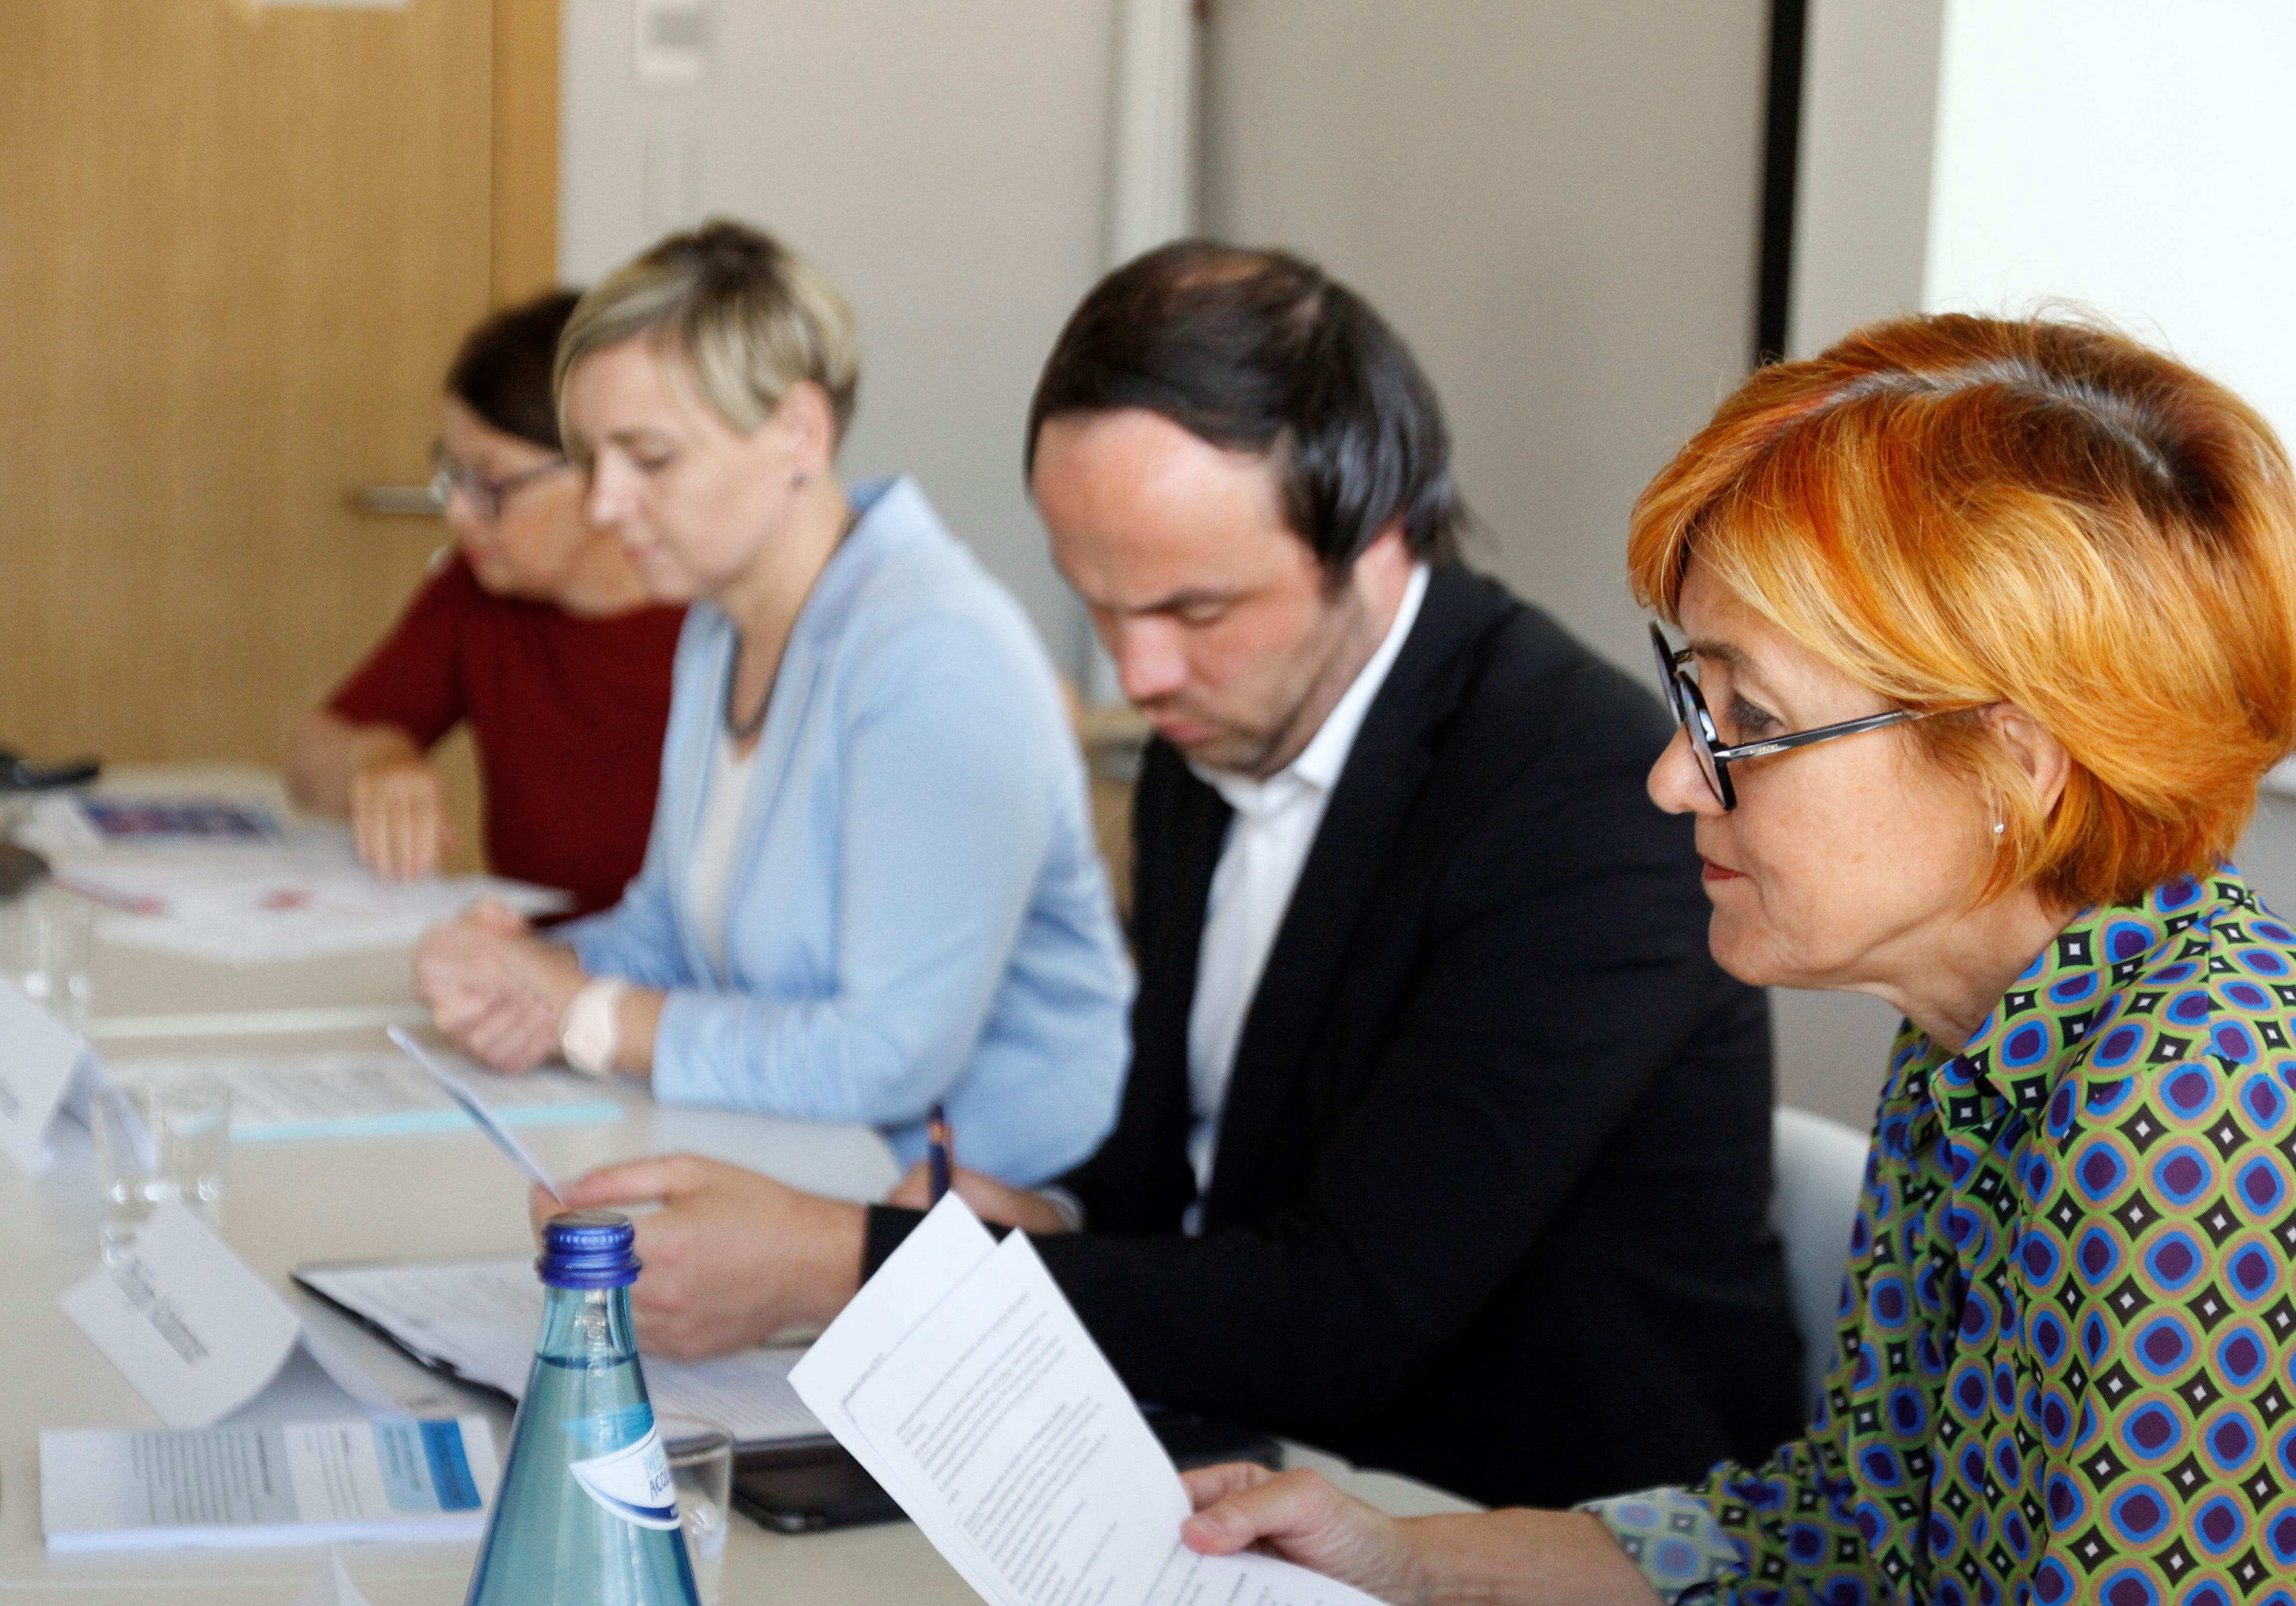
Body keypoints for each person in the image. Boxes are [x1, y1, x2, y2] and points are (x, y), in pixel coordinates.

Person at [1130, 314, 2296, 1606]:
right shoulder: (1987, 1032)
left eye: (1751, 717)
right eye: (1693, 691)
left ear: (2014, 769)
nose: (1670, 777)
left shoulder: (2204, 1132)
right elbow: (1851, 1535)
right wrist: (1405, 1564)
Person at [541, 242, 1803, 1510]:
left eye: (1194, 609)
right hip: (1269, 1455)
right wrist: (1040, 1216)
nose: (1136, 673)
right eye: (1097, 603)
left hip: (1548, 1521)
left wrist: (845, 1259)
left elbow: (1346, 1310)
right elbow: (1184, 1182)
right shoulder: (1214, 738)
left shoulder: (1582, 799)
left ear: (1373, 536)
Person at [412, 220, 1131, 1189]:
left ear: (799, 432)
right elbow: (668, 933)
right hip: (807, 1157)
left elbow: (885, 1058)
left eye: (649, 459)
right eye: (592, 460)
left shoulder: (933, 652)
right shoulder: (720, 624)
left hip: (1002, 1203)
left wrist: (587, 1014)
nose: (603, 503)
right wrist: (520, 966)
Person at [286, 291, 684, 914]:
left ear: (608, 471)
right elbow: (310, 756)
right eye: (453, 475)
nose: (457, 511)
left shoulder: (729, 611)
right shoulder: (478, 593)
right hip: (530, 962)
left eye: (490, 483)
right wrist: (376, 757)